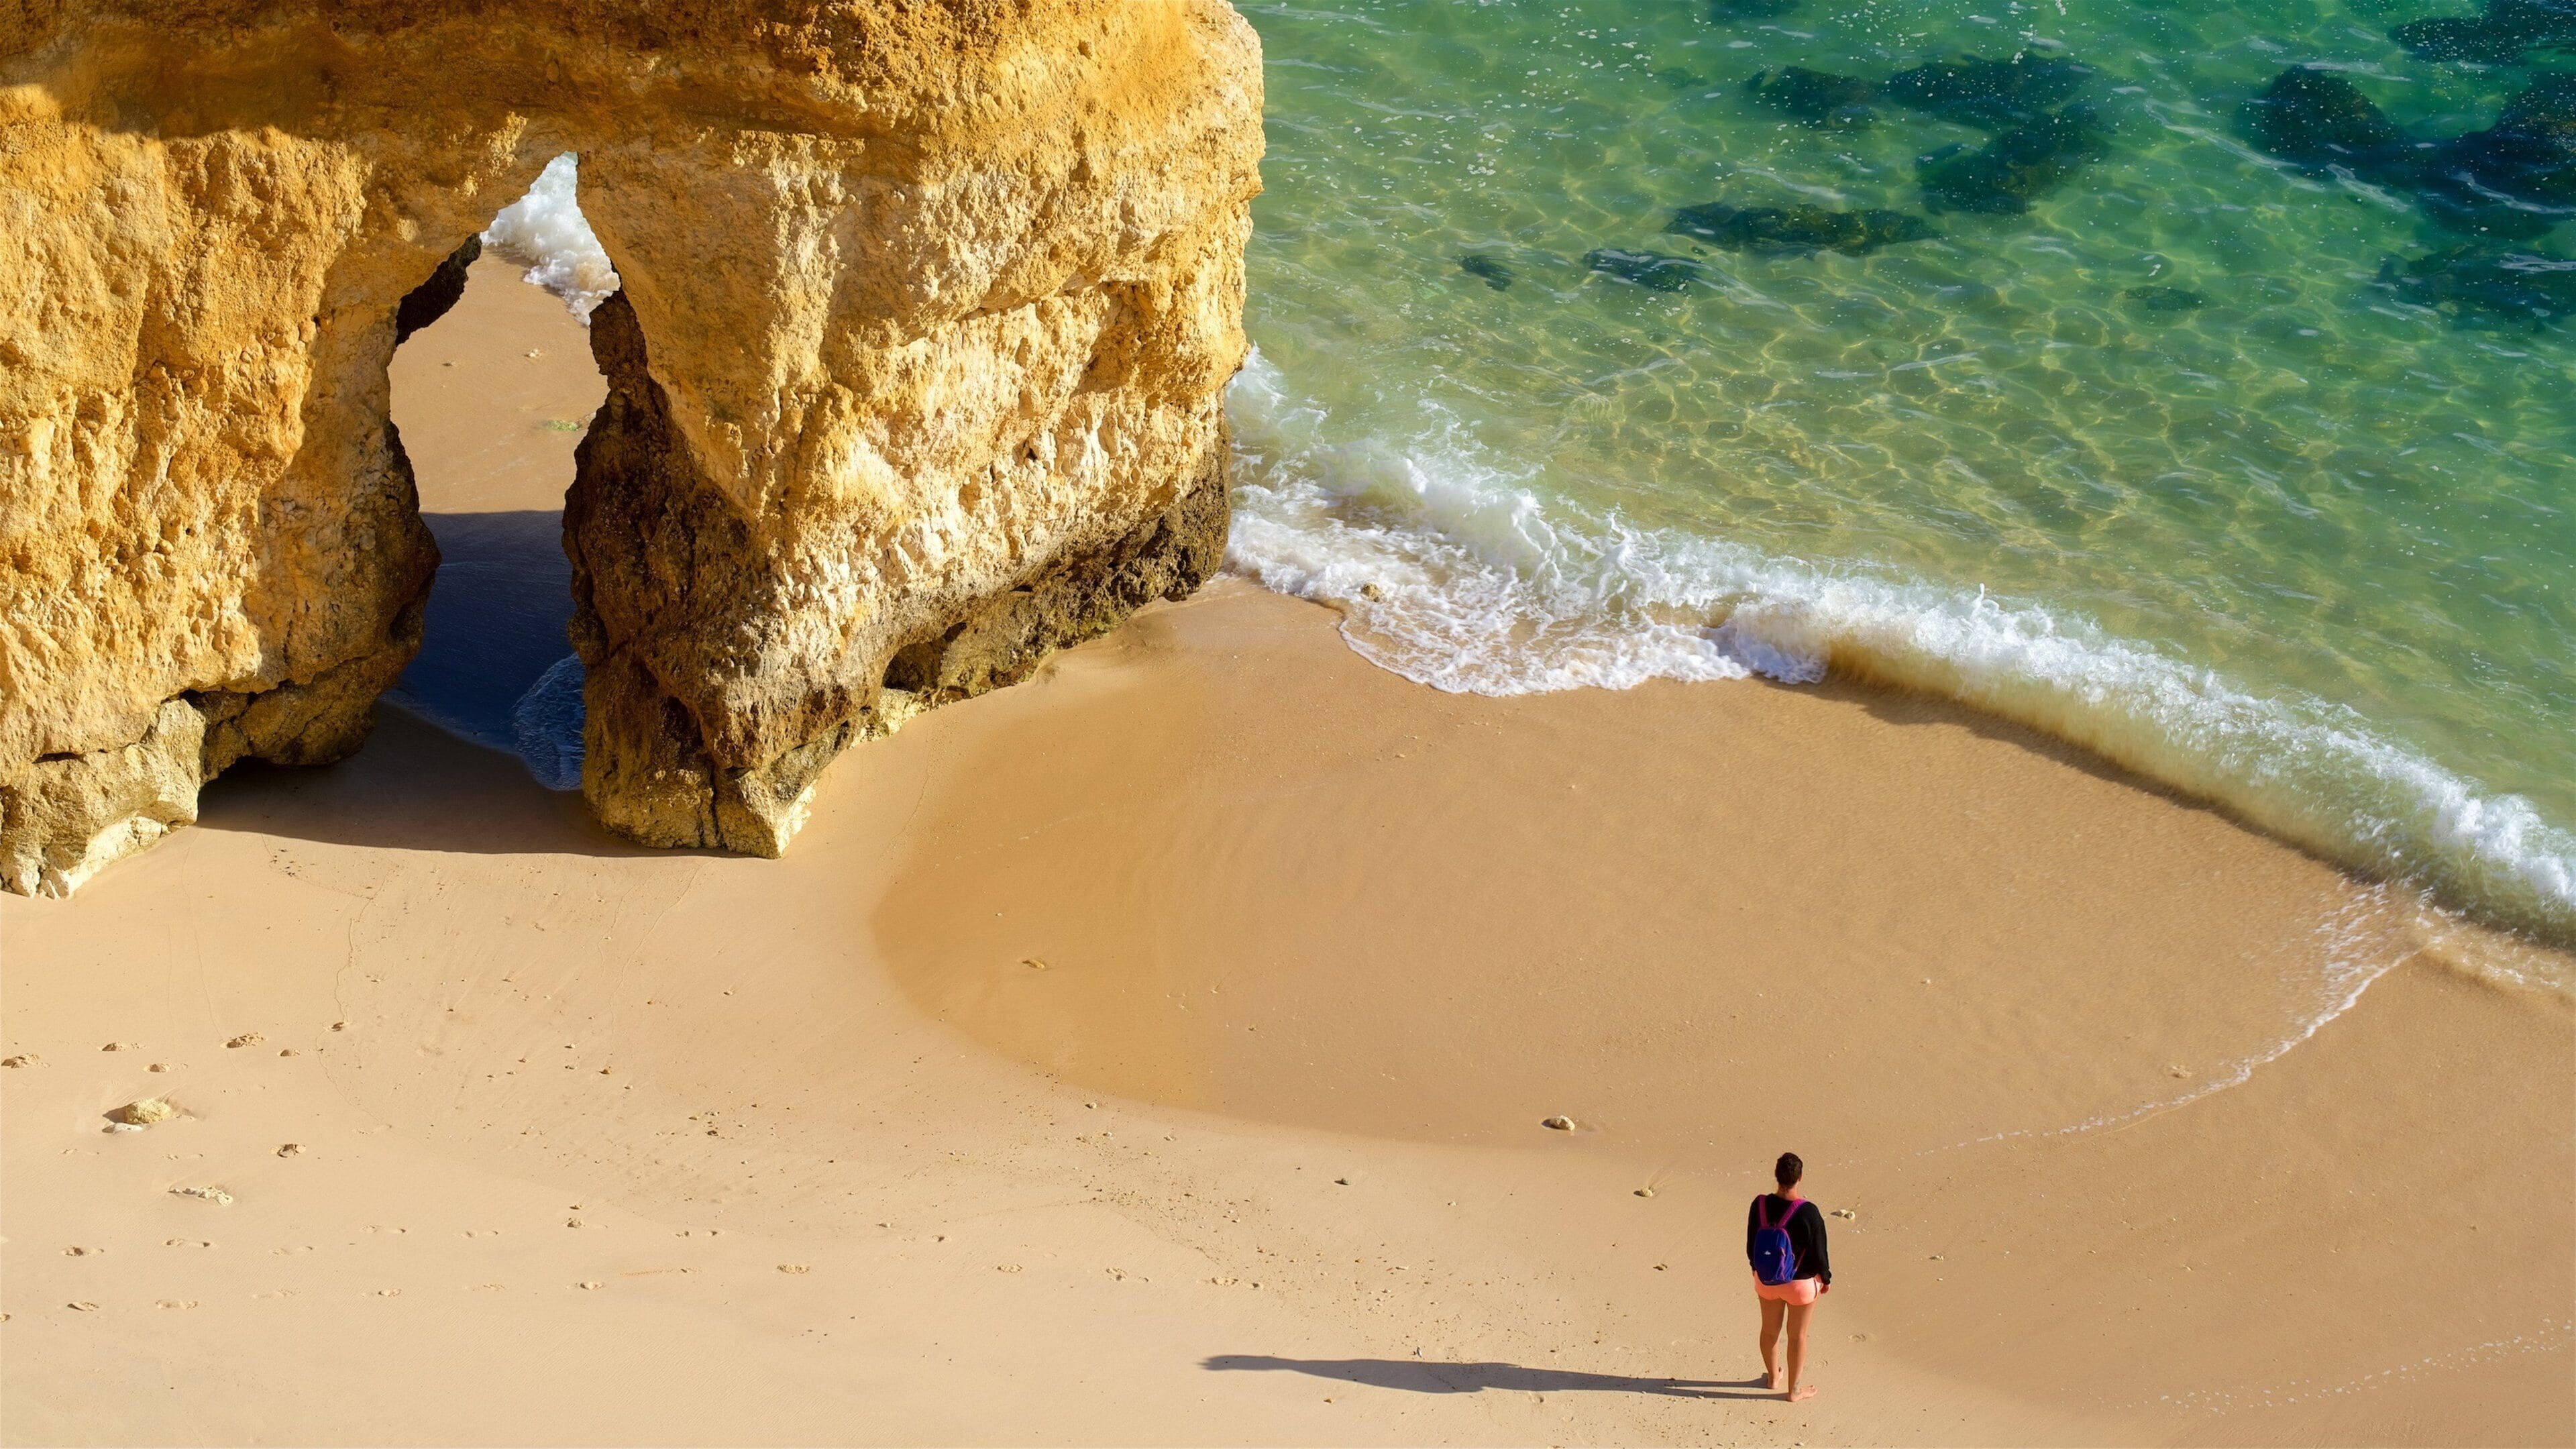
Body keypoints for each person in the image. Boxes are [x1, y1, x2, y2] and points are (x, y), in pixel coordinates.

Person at [1746, 1150, 1831, 1401]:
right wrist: (1825, 1279)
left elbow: (1751, 1244)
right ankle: (1794, 1391)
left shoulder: (1759, 1204)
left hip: (1766, 1280)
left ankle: (1773, 1378)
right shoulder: (1809, 1212)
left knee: (1769, 1331)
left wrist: (1755, 1268)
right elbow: (1820, 1254)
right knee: (1797, 1336)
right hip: (1800, 1285)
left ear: (1776, 1176)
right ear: (1800, 1177)